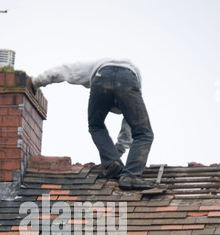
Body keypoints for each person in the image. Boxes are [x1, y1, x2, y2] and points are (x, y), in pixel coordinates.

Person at [31, 58, 155, 191]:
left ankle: (113, 165)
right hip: (126, 80)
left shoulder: (93, 66)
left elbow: (64, 70)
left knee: (96, 125)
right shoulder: (133, 81)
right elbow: (129, 128)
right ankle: (131, 176)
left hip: (101, 78)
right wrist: (118, 152)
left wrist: (37, 81)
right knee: (143, 133)